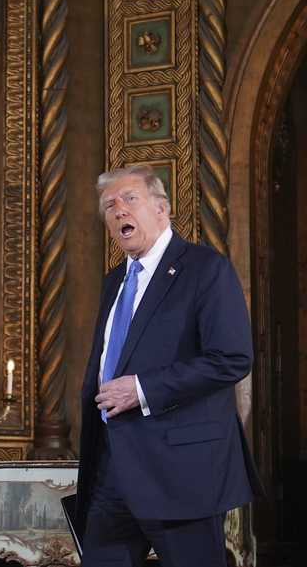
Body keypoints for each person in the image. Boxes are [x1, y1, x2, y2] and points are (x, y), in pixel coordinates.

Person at [74, 165, 262, 566]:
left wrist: (141, 389)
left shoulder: (205, 269)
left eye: (130, 199)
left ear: (163, 209)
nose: (119, 210)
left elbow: (232, 358)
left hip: (181, 472)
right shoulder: (113, 282)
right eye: (110, 206)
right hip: (112, 470)